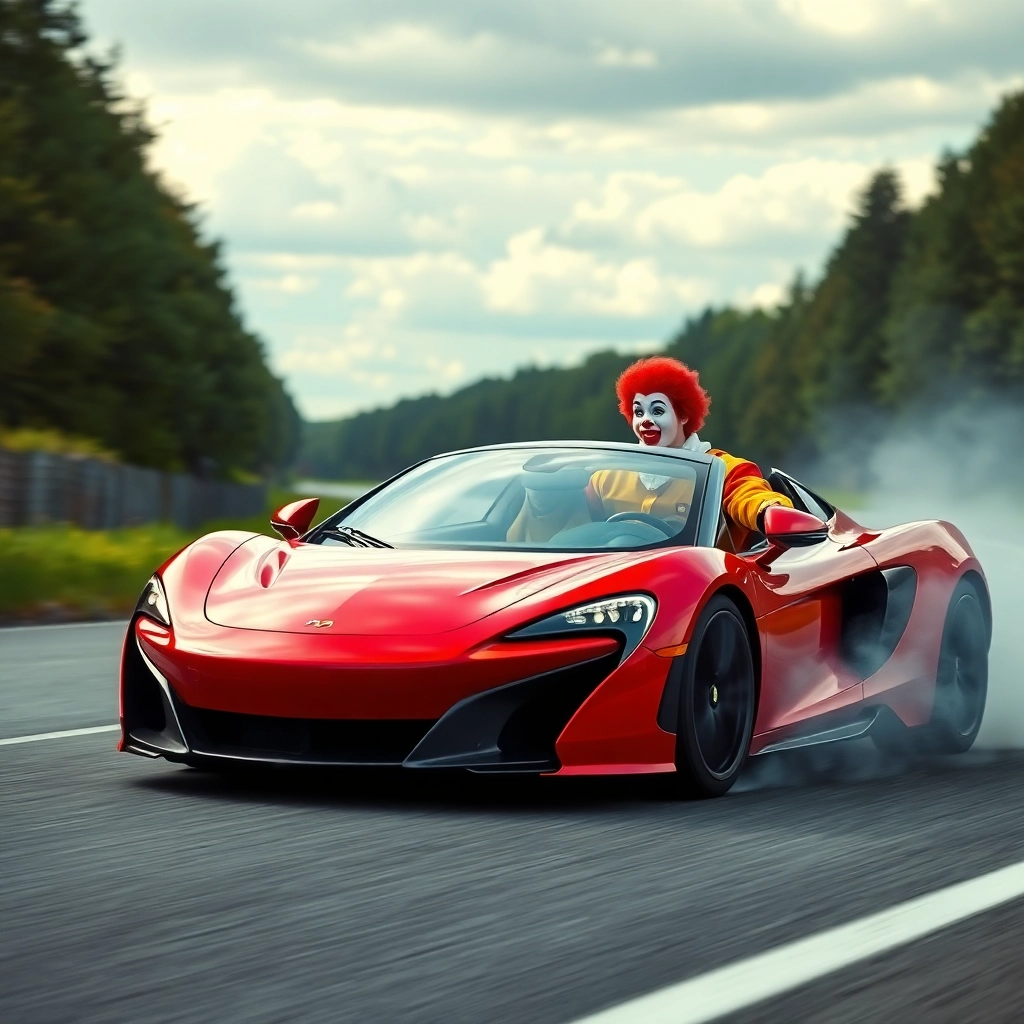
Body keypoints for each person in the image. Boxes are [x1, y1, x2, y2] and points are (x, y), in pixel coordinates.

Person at [586, 356, 792, 548]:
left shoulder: (724, 470)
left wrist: (771, 512)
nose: (645, 421)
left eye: (657, 411)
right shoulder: (606, 478)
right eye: (639, 412)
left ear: (683, 415)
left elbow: (749, 495)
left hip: (704, 579)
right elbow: (573, 528)